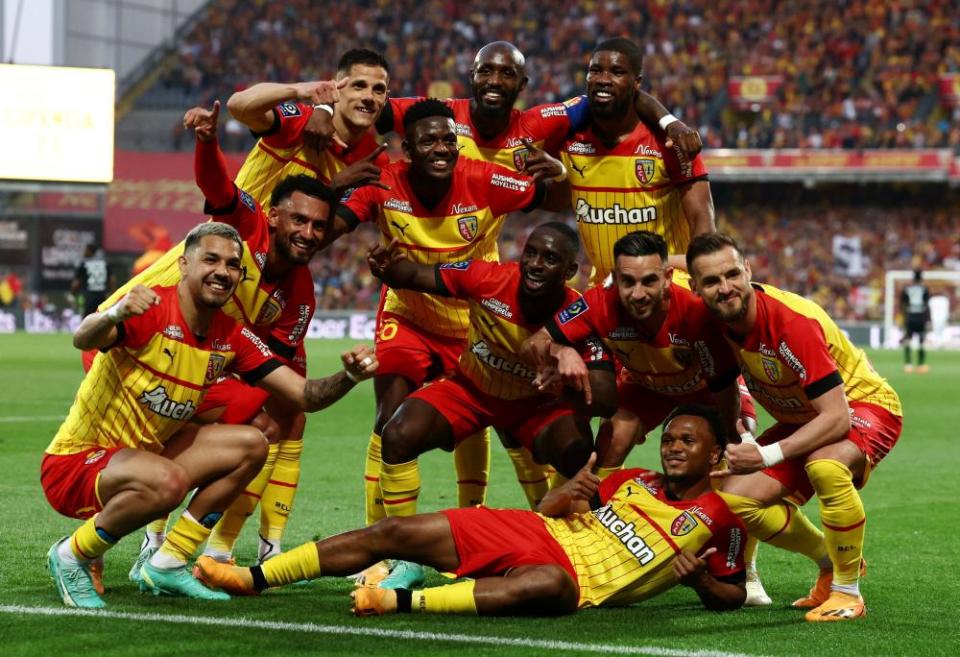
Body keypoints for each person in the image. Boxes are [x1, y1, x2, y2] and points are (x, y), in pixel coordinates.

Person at [366, 40, 704, 519]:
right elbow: (363, 110)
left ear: (521, 85)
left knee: (560, 419)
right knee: (400, 422)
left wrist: (666, 123)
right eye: (487, 71)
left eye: (506, 75)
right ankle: (394, 538)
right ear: (472, 75)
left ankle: (558, 522)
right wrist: (322, 115)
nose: (494, 82)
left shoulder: (536, 126)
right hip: (451, 288)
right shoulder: (440, 116)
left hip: (481, 289)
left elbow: (613, 95)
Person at [43, 221, 377, 610]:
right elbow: (83, 338)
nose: (223, 271)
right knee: (167, 482)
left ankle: (168, 561)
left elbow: (304, 395)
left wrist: (350, 376)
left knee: (253, 443)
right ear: (184, 264)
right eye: (211, 259)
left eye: (233, 265)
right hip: (77, 463)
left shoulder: (229, 336)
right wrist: (115, 313)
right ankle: (72, 555)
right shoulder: (151, 309)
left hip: (145, 462)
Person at [90, 99, 342, 579]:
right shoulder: (243, 230)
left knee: (273, 423)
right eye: (299, 220)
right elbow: (218, 188)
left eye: (318, 226)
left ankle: (190, 548)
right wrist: (207, 140)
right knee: (125, 443)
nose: (309, 233)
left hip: (201, 365)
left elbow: (278, 370)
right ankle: (114, 543)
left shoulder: (301, 294)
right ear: (272, 216)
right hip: (140, 339)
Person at [195, 404, 746, 617]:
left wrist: (699, 584)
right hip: (529, 529)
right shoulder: (629, 480)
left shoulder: (723, 516)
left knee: (554, 588)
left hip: (571, 578)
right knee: (393, 530)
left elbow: (733, 594)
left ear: (715, 453)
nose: (673, 447)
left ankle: (400, 601)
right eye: (670, 437)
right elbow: (553, 509)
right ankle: (252, 576)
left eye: (688, 441)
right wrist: (568, 493)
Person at [329, 99, 567, 588]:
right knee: (389, 423)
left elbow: (555, 198)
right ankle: (385, 548)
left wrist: (560, 171)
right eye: (429, 141)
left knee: (505, 425)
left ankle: (505, 526)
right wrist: (329, 190)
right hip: (409, 315)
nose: (441, 149)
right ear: (407, 149)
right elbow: (332, 225)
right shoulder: (382, 182)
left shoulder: (483, 178)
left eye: (447, 141)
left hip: (475, 320)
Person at [686, 232, 903, 622]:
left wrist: (765, 454)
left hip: (862, 405)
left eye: (732, 274)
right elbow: (724, 389)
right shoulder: (711, 323)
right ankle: (829, 561)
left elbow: (836, 417)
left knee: (826, 465)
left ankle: (847, 593)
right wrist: (738, 435)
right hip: (803, 418)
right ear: (695, 287)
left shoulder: (790, 324)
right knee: (732, 498)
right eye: (712, 281)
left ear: (748, 270)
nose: (725, 287)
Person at [365, 221, 616, 508]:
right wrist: (388, 270)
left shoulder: (579, 315)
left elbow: (606, 400)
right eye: (530, 254)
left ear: (570, 271)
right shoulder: (487, 279)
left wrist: (568, 378)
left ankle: (560, 531)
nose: (535, 264)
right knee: (398, 434)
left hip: (536, 406)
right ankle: (397, 537)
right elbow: (415, 275)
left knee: (579, 453)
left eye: (549, 259)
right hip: (470, 391)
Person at [555, 38, 715, 286]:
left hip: (668, 288)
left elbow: (703, 226)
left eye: (617, 72)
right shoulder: (568, 136)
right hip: (605, 290)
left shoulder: (671, 143)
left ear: (637, 83)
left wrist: (701, 280)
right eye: (596, 70)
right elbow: (553, 197)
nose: (604, 79)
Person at [226, 48, 392, 204]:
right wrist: (297, 89)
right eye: (359, 86)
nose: (369, 97)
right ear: (337, 88)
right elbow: (237, 106)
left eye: (378, 90)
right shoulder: (300, 120)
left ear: (386, 99)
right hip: (230, 233)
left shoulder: (375, 159)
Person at [71, 243, 115, 317]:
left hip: (88, 295)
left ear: (89, 251)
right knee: (100, 317)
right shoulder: (104, 263)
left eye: (85, 250)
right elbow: (112, 280)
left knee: (87, 318)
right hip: (102, 295)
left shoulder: (84, 263)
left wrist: (72, 293)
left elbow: (76, 283)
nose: (84, 252)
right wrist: (112, 294)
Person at [900, 269, 931, 373]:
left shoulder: (907, 289)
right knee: (921, 341)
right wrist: (928, 319)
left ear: (913, 278)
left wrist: (904, 318)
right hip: (921, 317)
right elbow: (927, 305)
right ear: (921, 278)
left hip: (910, 316)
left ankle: (908, 365)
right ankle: (921, 365)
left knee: (908, 340)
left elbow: (903, 304)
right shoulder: (924, 289)